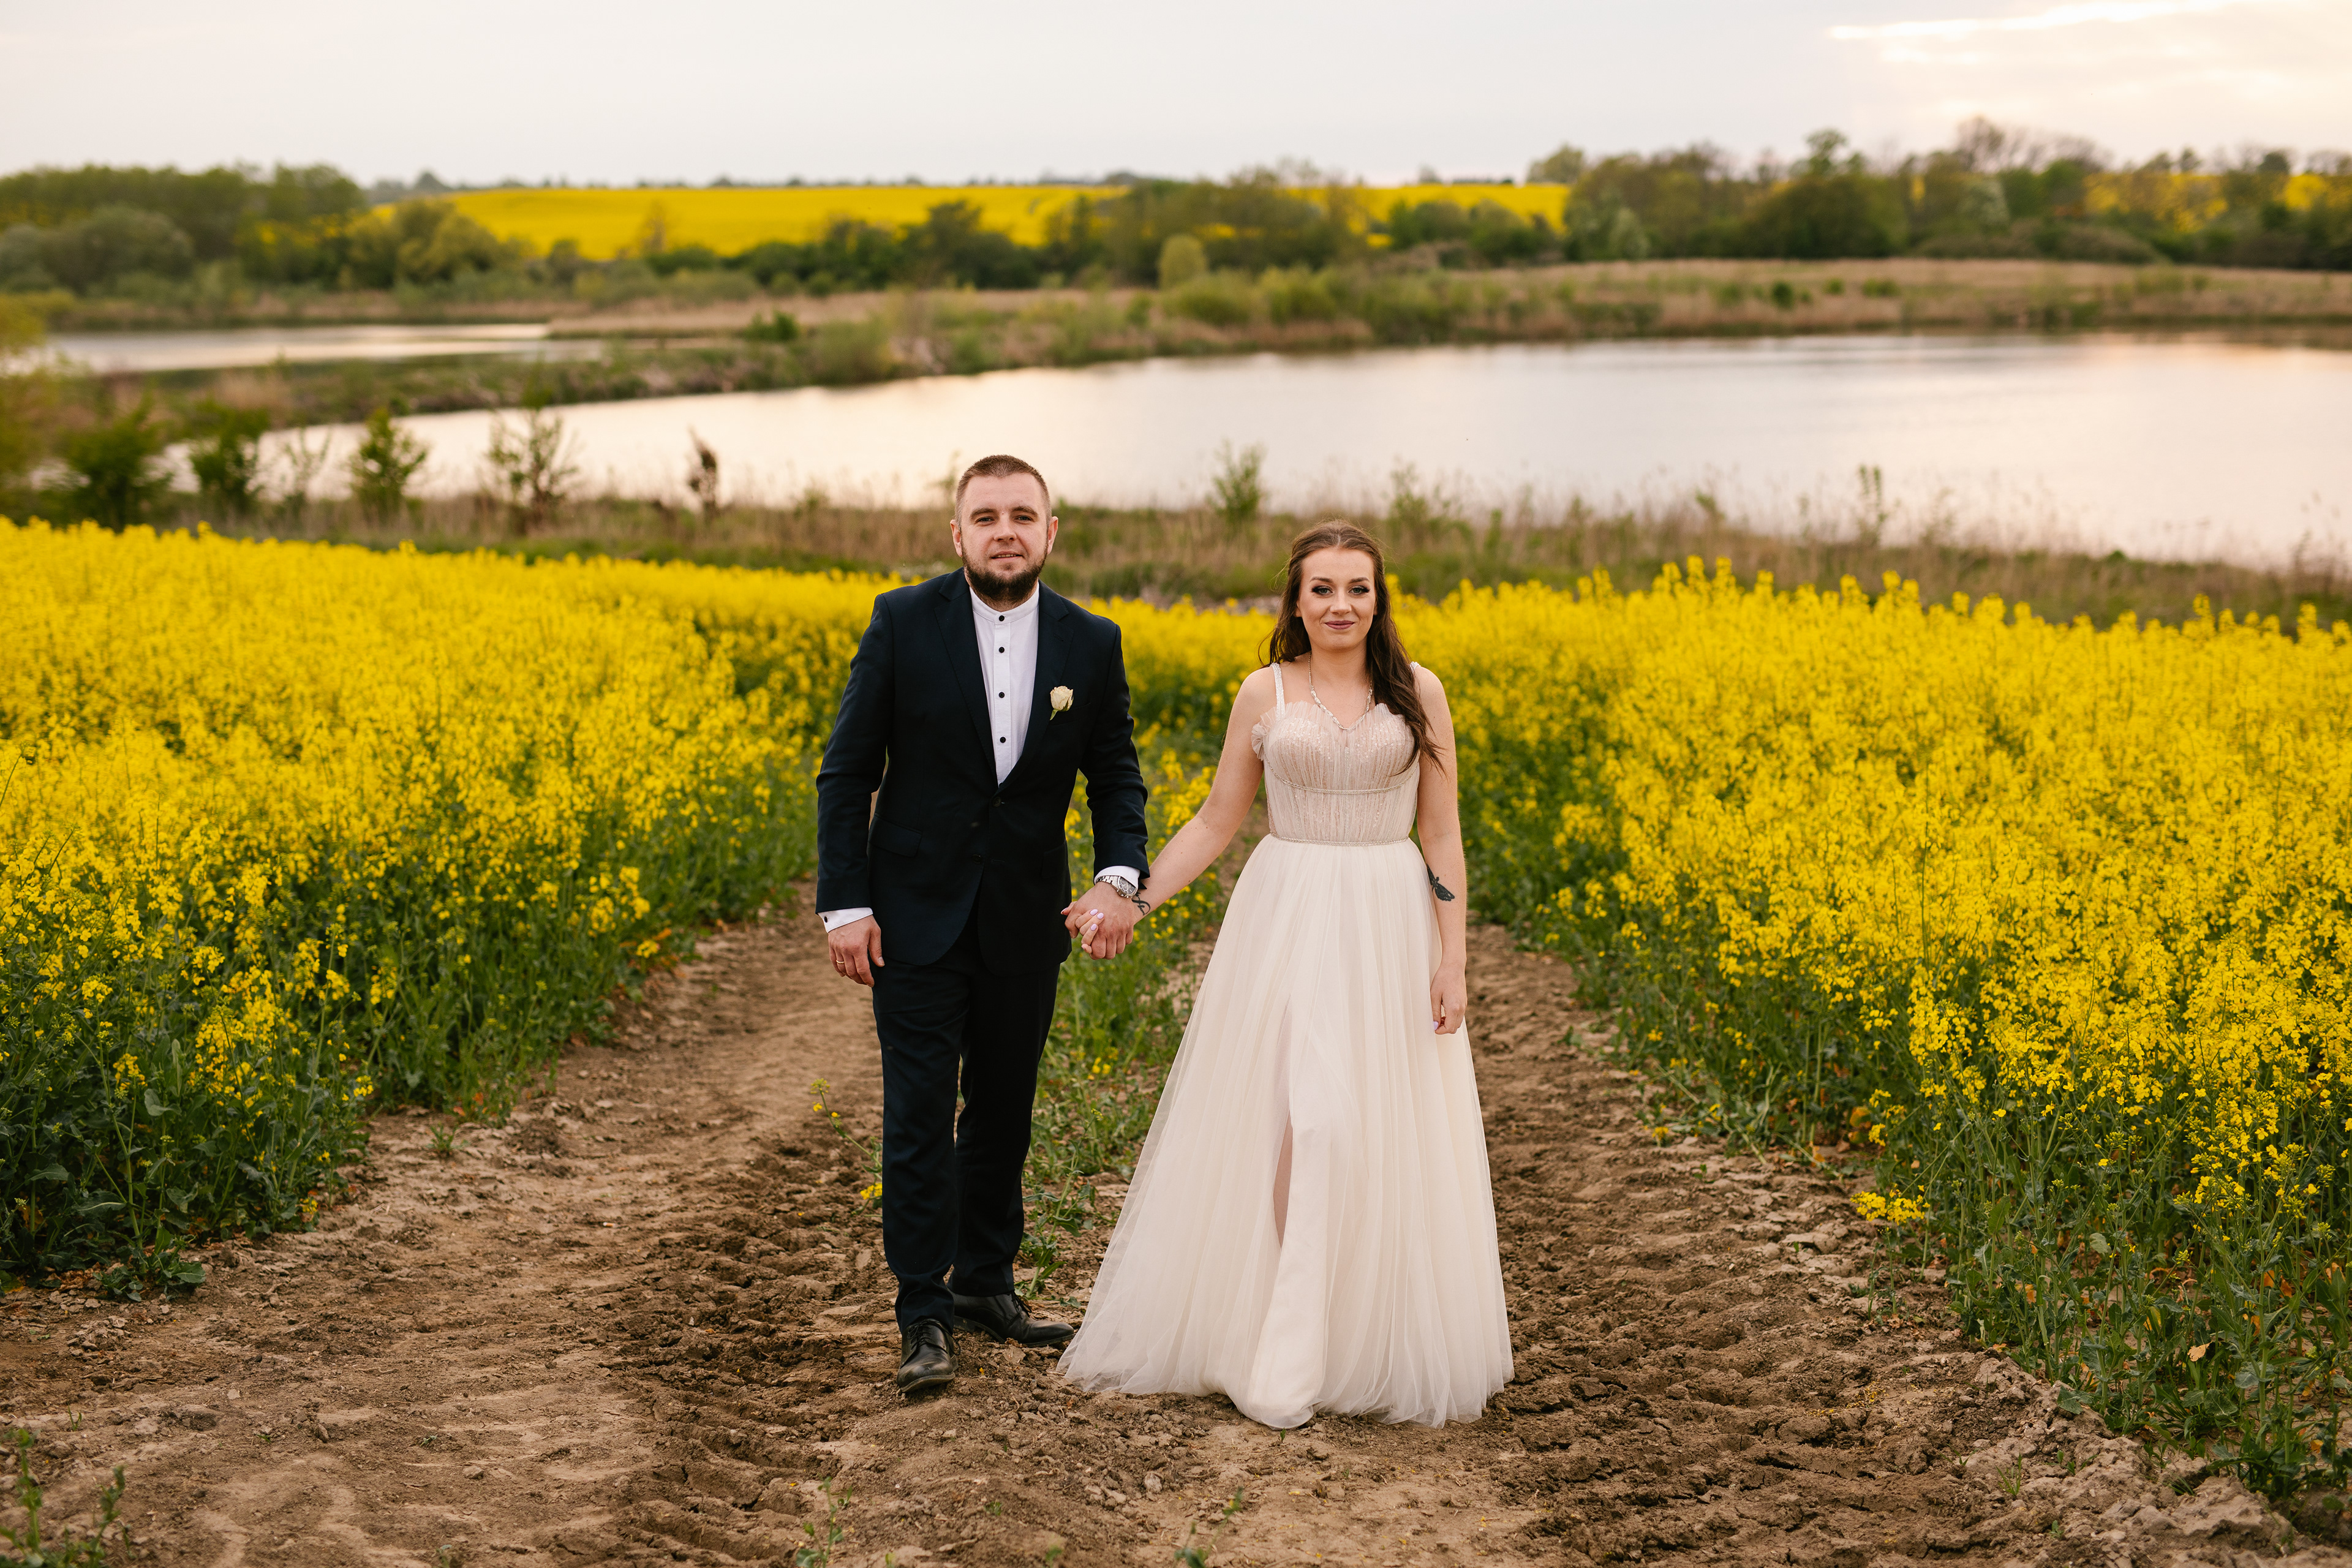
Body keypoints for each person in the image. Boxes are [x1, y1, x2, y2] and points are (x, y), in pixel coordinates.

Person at [1057, 520, 1512, 1428]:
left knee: (1374, 1128)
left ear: (1379, 600)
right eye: (1323, 589)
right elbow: (1216, 821)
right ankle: (1283, 1340)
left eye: (1358, 589)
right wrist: (1132, 901)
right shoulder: (1263, 690)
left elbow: (1441, 832)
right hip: (1290, 913)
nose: (1341, 605)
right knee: (1308, 1122)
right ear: (1296, 602)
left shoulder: (1419, 691)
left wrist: (1453, 959)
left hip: (1388, 920)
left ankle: (1352, 1336)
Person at [815, 453, 1151, 1395]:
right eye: (988, 516)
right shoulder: (901, 620)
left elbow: (1115, 776)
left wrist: (1120, 878)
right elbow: (848, 771)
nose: (1007, 531)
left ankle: (986, 1285)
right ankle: (923, 1310)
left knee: (1004, 1109)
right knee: (920, 1117)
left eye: (1023, 516)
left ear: (1052, 532)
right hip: (911, 917)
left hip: (1024, 916)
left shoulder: (1093, 641)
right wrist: (846, 904)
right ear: (957, 533)